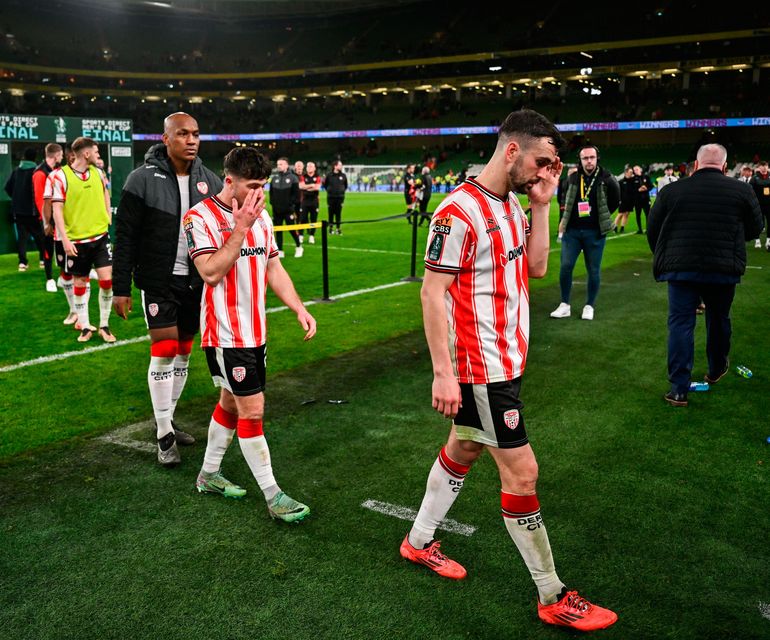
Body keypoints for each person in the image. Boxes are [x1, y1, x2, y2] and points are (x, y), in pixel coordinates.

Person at [401, 109, 617, 632]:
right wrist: (443, 372)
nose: (548, 172)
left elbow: (538, 267)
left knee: (464, 448)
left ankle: (417, 542)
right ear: (513, 150)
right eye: (543, 162)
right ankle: (552, 593)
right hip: (481, 368)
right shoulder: (457, 212)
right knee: (523, 472)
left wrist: (542, 206)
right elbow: (432, 292)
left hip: (508, 360)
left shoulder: (514, 205)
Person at [185, 146, 316, 521]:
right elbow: (210, 271)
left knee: (230, 402)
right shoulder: (200, 217)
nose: (259, 193)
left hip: (256, 331)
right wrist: (240, 227)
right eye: (252, 186)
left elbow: (273, 267)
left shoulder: (262, 217)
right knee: (253, 409)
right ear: (229, 181)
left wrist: (298, 307)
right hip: (226, 334)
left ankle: (208, 474)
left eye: (263, 185)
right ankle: (274, 497)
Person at [113, 112, 223, 465]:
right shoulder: (140, 179)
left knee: (184, 351)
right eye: (183, 134)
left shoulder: (209, 180)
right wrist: (120, 286)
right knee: (164, 348)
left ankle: (167, 419)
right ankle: (163, 435)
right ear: (166, 138)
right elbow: (125, 236)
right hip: (158, 281)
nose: (191, 140)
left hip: (194, 282)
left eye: (196, 134)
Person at [647, 143, 764, 407]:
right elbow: (756, 228)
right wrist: (730, 241)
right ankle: (716, 368)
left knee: (680, 324)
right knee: (719, 318)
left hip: (681, 269)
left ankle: (678, 389)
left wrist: (667, 255)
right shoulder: (742, 190)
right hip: (722, 269)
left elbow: (654, 231)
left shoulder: (671, 190)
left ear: (696, 166)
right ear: (724, 167)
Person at [51, 137, 115, 343]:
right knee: (80, 282)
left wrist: (108, 215)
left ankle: (104, 325)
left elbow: (106, 193)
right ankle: (85, 326)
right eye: (96, 152)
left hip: (100, 237)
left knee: (106, 280)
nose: (99, 156)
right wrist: (65, 240)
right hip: (77, 240)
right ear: (86, 154)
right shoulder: (61, 177)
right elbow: (57, 210)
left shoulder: (98, 172)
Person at [550, 145, 620, 321]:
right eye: (585, 158)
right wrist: (564, 223)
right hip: (572, 231)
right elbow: (565, 200)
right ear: (580, 160)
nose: (589, 161)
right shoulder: (573, 178)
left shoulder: (607, 178)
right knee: (566, 267)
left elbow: (614, 201)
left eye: (592, 157)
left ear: (597, 158)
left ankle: (589, 305)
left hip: (595, 232)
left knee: (593, 270)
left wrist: (602, 218)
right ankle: (565, 304)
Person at [4, 148, 47, 275]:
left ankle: (22, 263)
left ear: (24, 156)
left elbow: (7, 188)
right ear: (35, 158)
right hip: (33, 211)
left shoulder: (16, 171)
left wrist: (16, 198)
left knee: (22, 239)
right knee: (40, 237)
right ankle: (43, 260)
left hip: (18, 211)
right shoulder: (37, 172)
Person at [32, 143, 63, 293]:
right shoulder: (39, 173)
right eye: (61, 155)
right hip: (44, 219)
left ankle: (63, 277)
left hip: (57, 216)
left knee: (62, 247)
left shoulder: (57, 171)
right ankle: (49, 279)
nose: (62, 157)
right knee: (48, 250)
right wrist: (46, 222)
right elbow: (40, 200)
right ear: (56, 156)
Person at [269, 157, 302, 257]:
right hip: (277, 210)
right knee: (278, 230)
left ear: (287, 165)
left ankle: (299, 247)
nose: (279, 166)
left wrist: (290, 205)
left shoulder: (293, 178)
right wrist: (273, 204)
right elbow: (271, 194)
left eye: (281, 164)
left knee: (292, 229)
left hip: (288, 210)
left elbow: (297, 196)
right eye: (278, 164)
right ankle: (280, 250)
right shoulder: (274, 178)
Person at [299, 160, 322, 244]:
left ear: (315, 168)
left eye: (311, 166)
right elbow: (301, 186)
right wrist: (312, 185)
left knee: (313, 219)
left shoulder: (318, 176)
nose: (309, 168)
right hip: (304, 201)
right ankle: (301, 235)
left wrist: (306, 187)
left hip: (314, 201)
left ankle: (311, 236)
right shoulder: (303, 176)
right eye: (308, 166)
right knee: (302, 219)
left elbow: (318, 187)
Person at [749, 160, 770, 250]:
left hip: (769, 204)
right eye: (762, 166)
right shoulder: (754, 178)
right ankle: (757, 240)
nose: (764, 167)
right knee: (758, 223)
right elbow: (750, 191)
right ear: (759, 167)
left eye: (765, 165)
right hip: (758, 204)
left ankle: (768, 241)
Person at [324, 159, 348, 235]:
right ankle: (331, 229)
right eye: (340, 165)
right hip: (331, 198)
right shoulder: (329, 175)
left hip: (340, 198)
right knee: (330, 214)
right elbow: (325, 185)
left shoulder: (343, 176)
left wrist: (341, 191)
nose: (341, 166)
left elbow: (345, 186)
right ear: (335, 166)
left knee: (338, 214)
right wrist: (330, 191)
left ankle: (338, 229)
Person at [613, 166, 636, 234]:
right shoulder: (621, 182)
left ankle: (622, 228)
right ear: (626, 173)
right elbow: (617, 192)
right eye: (630, 172)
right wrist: (618, 200)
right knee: (620, 214)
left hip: (630, 201)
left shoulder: (633, 181)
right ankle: (615, 227)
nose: (631, 173)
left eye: (632, 172)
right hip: (622, 201)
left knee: (627, 214)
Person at [632, 165, 653, 234]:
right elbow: (631, 189)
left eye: (637, 169)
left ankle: (648, 229)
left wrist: (646, 188)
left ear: (640, 169)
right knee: (638, 215)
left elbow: (651, 186)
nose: (635, 171)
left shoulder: (646, 177)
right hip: (637, 200)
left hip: (646, 199)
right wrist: (638, 190)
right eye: (634, 170)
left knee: (648, 215)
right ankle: (640, 229)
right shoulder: (633, 178)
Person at [292, 160, 305, 243]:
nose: (299, 167)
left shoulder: (305, 176)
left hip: (304, 201)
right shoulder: (292, 176)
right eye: (298, 166)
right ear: (295, 167)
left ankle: (301, 234)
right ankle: (297, 233)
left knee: (303, 218)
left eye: (300, 166)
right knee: (295, 218)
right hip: (294, 201)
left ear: (303, 167)